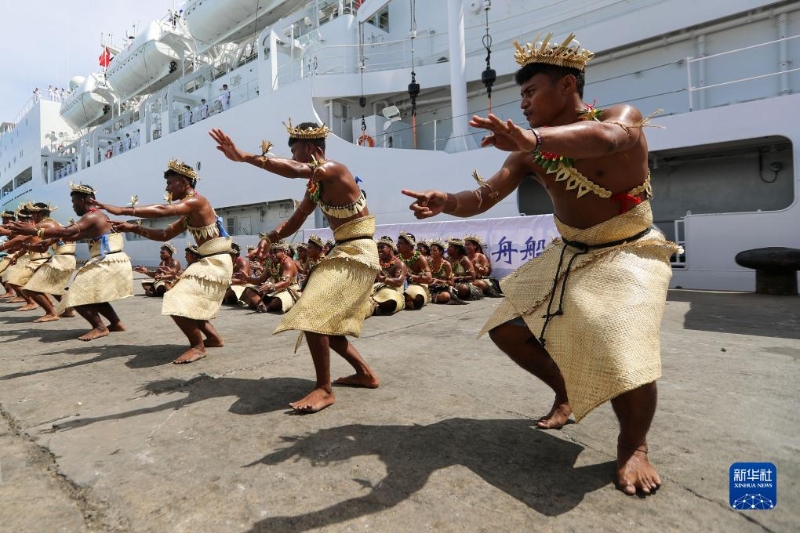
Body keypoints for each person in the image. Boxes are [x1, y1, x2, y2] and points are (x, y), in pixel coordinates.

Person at [403, 33, 680, 495]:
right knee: (507, 329)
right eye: (522, 95)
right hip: (572, 251)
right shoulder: (528, 153)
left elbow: (610, 139)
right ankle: (567, 390)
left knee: (621, 344)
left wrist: (533, 138)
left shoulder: (621, 117)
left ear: (567, 85)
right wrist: (446, 201)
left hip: (629, 248)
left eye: (531, 92)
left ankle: (634, 445)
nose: (524, 103)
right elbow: (483, 196)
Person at [210, 120, 380, 413]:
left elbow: (296, 170)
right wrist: (269, 239)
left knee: (311, 312)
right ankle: (365, 374)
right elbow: (298, 217)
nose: (292, 158)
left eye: (295, 152)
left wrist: (245, 156)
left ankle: (324, 390)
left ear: (311, 148)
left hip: (358, 251)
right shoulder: (317, 185)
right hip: (344, 250)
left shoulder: (334, 170)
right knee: (325, 322)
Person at [92, 160, 232, 363]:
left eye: (170, 183)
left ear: (184, 182)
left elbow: (162, 209)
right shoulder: (189, 212)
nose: (167, 188)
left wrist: (121, 210)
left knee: (175, 299)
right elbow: (164, 234)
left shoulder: (197, 201)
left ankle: (198, 347)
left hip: (216, 261)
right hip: (210, 260)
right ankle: (213, 338)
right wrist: (133, 228)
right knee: (189, 300)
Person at [8, 184, 133, 340]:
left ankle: (100, 327)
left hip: (109, 260)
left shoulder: (92, 216)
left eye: (74, 202)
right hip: (110, 260)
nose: (73, 206)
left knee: (75, 295)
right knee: (93, 294)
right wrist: (52, 240)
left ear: (83, 200)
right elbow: (74, 235)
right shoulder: (96, 216)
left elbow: (69, 231)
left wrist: (33, 231)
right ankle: (116, 324)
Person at [19, 202, 77, 322]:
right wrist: (24, 245)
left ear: (38, 214)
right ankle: (68, 310)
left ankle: (51, 313)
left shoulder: (45, 224)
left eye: (32, 214)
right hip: (65, 258)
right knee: (52, 287)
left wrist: (12, 236)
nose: (31, 217)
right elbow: (42, 248)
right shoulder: (54, 224)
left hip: (62, 259)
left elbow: (25, 235)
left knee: (30, 288)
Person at [368, 236, 406, 316]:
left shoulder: (399, 263)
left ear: (390, 248)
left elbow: (399, 282)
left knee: (390, 300)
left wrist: (383, 279)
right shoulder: (376, 262)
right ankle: (375, 305)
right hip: (377, 289)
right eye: (378, 248)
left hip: (394, 290)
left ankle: (374, 305)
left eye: (382, 247)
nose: (379, 250)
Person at [396, 231, 432, 310]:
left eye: (400, 243)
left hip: (417, 285)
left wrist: (410, 276)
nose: (397, 245)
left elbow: (429, 279)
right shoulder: (397, 258)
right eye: (397, 243)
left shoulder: (420, 258)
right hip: (401, 285)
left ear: (409, 245)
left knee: (416, 296)